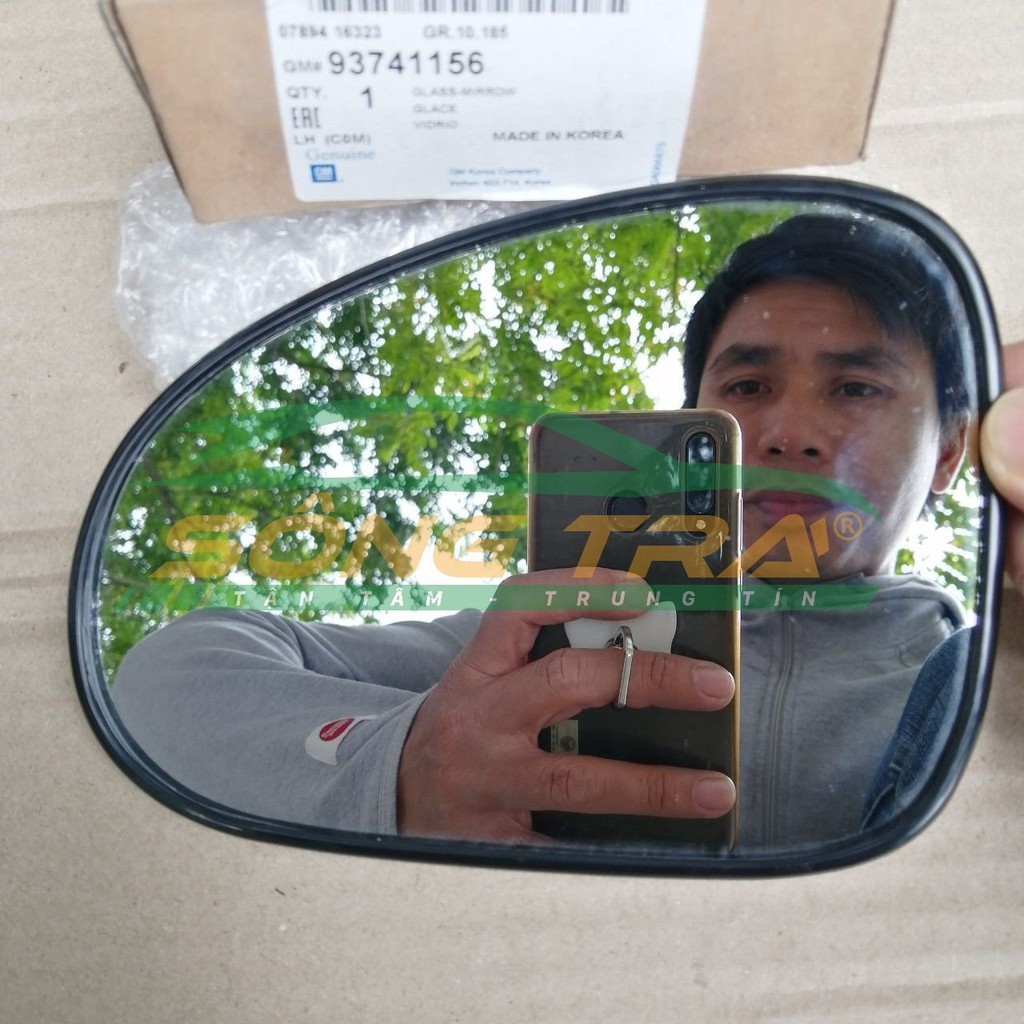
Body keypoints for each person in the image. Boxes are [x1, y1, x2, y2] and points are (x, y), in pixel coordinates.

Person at [112, 215, 1021, 849]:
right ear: (694, 432)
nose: (788, 431)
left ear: (951, 452)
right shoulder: (537, 650)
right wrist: (407, 768)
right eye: (746, 388)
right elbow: (168, 683)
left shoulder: (987, 685)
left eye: (856, 388)